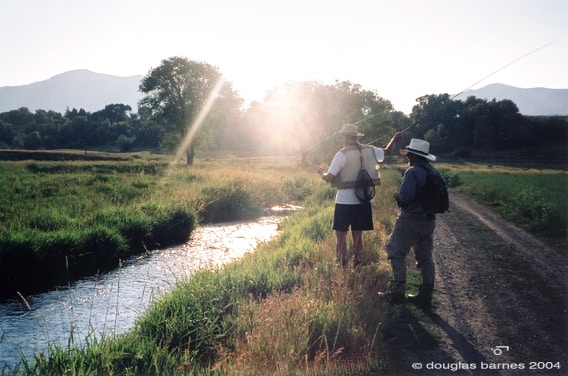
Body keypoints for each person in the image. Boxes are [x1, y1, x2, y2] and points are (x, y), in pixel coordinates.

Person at [319, 124, 401, 268]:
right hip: (364, 199)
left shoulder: (341, 154)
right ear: (356, 137)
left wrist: (321, 173)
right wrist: (394, 138)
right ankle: (358, 262)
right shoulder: (371, 150)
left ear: (345, 137)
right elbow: (387, 151)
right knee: (358, 234)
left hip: (344, 201)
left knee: (341, 235)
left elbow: (329, 178)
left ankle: (342, 263)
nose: (341, 138)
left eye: (342, 136)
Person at [380, 138, 441, 309]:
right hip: (429, 221)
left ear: (413, 156)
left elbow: (405, 198)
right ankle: (425, 296)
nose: (408, 159)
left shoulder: (412, 172)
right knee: (425, 258)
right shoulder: (434, 172)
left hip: (410, 219)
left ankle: (397, 294)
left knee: (395, 251)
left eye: (409, 156)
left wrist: (396, 195)